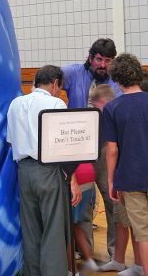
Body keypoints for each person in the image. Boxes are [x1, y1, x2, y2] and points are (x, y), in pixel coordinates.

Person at [7, 65, 81, 276]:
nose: (61, 92)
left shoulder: (15, 104)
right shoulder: (56, 103)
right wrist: (72, 179)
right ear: (55, 83)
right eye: (61, 87)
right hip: (48, 169)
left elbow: (11, 141)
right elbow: (63, 146)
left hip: (23, 170)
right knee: (54, 228)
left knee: (31, 229)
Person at [63, 38, 121, 257]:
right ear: (90, 58)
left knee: (112, 200)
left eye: (107, 60)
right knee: (83, 202)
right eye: (99, 59)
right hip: (79, 149)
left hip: (107, 147)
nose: (103, 64)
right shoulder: (74, 73)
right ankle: (84, 253)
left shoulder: (116, 81)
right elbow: (48, 81)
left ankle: (115, 254)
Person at [90, 85, 143, 275]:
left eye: (99, 107)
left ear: (106, 102)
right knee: (120, 219)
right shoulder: (106, 113)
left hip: (127, 174)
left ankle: (139, 264)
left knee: (134, 221)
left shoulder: (118, 112)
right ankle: (118, 260)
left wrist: (113, 180)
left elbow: (114, 149)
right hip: (119, 172)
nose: (98, 111)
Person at [103, 53, 148, 276]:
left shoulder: (112, 108)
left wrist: (111, 180)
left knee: (143, 232)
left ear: (117, 80)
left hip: (130, 177)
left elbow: (112, 149)